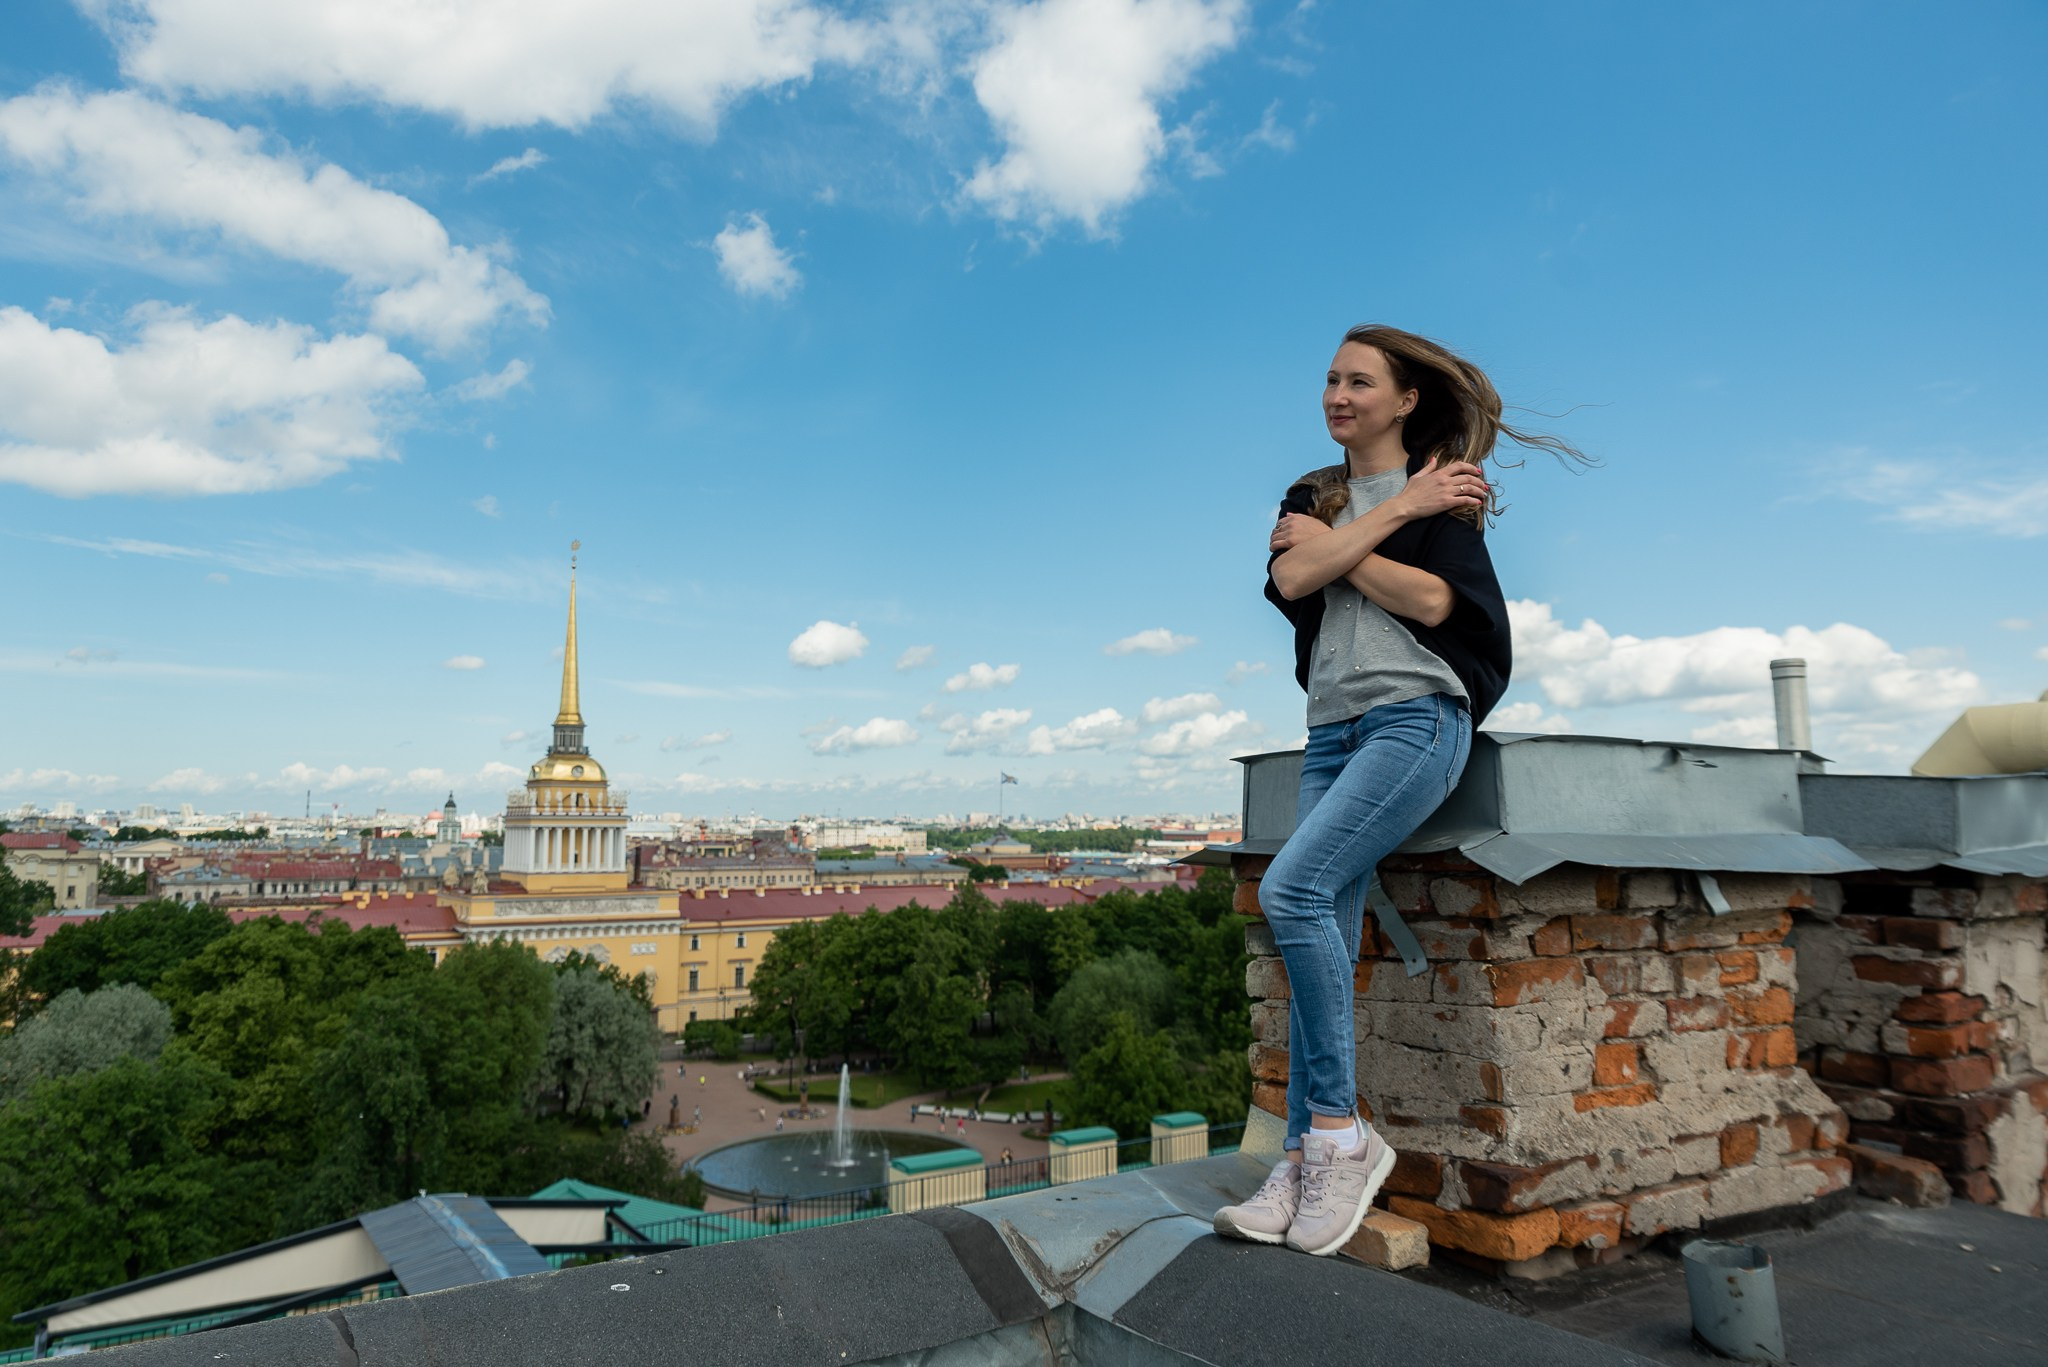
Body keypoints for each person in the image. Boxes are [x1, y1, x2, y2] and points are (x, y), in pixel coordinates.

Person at [1212, 324, 1585, 1258]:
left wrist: (1357, 535)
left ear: (1406, 398)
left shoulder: (1445, 492)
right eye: (1330, 380)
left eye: (1359, 381)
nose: (1337, 395)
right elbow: (1294, 576)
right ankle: (1302, 1157)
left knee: (1292, 890)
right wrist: (1376, 519)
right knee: (1322, 926)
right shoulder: (1314, 494)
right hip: (1331, 731)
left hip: (1417, 717)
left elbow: (1433, 604)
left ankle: (1340, 1131)